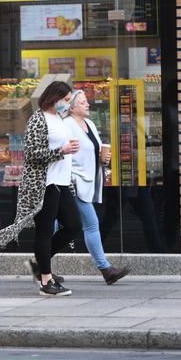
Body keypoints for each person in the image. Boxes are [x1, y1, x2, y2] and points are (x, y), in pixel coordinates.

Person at [0, 81, 82, 296]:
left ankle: (40, 264)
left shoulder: (59, 119)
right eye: (66, 100)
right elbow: (33, 154)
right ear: (55, 98)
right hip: (44, 185)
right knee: (44, 231)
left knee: (73, 226)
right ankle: (45, 281)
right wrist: (62, 151)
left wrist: (68, 150)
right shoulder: (38, 119)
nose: (67, 105)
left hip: (61, 183)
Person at [63, 89, 130, 285]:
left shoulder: (89, 124)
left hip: (88, 180)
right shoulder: (67, 125)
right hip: (73, 183)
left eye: (87, 101)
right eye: (83, 102)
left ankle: (39, 264)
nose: (87, 104)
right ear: (72, 107)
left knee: (58, 227)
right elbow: (63, 153)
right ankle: (106, 269)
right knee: (91, 224)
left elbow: (96, 149)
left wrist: (104, 158)